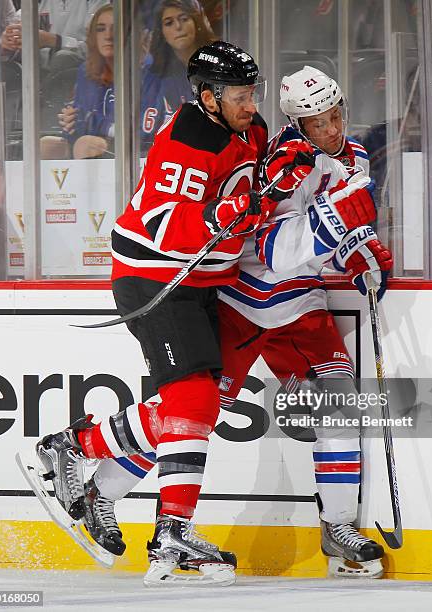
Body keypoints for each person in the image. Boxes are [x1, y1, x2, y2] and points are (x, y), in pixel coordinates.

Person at [61, 66, 392, 579]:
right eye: (316, 122)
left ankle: (339, 526)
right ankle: (98, 485)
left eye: (336, 116)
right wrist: (336, 228)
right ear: (295, 124)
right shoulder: (282, 160)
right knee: (191, 411)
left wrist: (362, 252)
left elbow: (344, 227)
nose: (331, 130)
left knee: (340, 402)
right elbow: (266, 245)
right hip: (241, 302)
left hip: (301, 305)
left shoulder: (356, 157)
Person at [29, 41, 313, 587]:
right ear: (208, 96)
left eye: (252, 92)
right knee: (195, 400)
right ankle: (164, 521)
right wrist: (217, 214)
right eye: (239, 94)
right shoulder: (186, 142)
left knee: (200, 407)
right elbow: (161, 223)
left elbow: (248, 192)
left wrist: (274, 174)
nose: (250, 104)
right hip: (158, 279)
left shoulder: (247, 130)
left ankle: (90, 470)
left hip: (209, 284)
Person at [40, 4, 114, 160]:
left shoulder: (141, 70)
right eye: (101, 29)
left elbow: (143, 129)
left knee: (85, 144)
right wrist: (70, 122)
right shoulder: (86, 71)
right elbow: (80, 122)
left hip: (126, 144)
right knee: (46, 146)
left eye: (115, 28)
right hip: (89, 142)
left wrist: (90, 122)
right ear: (93, 35)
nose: (108, 35)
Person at [140, 0, 216, 152]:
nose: (178, 27)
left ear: (197, 22)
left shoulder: (217, 66)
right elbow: (144, 135)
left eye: (184, 19)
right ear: (161, 32)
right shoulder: (154, 74)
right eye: (169, 23)